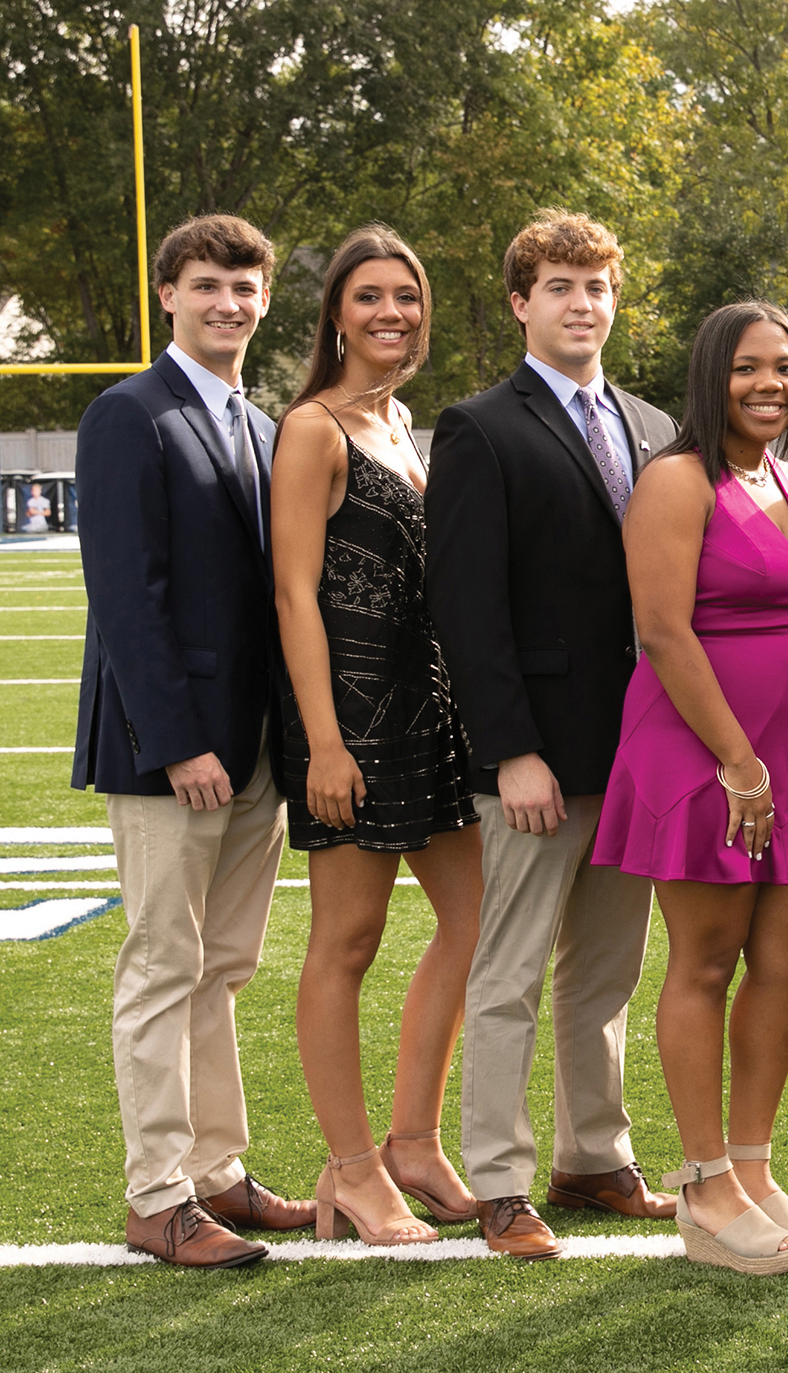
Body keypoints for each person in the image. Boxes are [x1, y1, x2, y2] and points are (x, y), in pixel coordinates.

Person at [426, 211, 681, 1260]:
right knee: (510, 976)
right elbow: (466, 607)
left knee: (608, 973)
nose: (583, 304)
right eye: (561, 286)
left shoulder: (655, 426)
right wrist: (510, 750)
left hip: (639, 752)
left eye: (597, 286)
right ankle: (499, 1181)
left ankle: (593, 1157)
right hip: (535, 755)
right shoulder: (479, 428)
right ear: (521, 303)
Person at [594, 301, 788, 1275]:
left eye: (785, 368)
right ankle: (705, 1187)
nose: (770, 385)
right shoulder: (675, 479)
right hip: (701, 751)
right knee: (706, 960)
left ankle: (752, 1167)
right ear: (714, 376)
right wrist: (736, 764)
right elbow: (664, 632)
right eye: (749, 367)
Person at [75, 213, 316, 1266]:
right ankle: (157, 1195)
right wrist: (176, 741)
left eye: (245, 286)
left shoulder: (261, 426)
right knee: (164, 965)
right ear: (168, 294)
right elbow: (127, 595)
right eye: (208, 284)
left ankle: (216, 1171)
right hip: (172, 751)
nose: (229, 302)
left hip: (255, 746)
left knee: (223, 967)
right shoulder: (128, 413)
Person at [271, 226, 482, 1246]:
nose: (391, 312)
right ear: (336, 316)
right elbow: (293, 594)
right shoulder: (313, 428)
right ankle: (352, 1171)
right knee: (347, 941)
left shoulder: (399, 420)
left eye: (407, 296)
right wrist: (323, 741)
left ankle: (415, 1145)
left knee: (476, 924)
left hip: (427, 707)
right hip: (349, 718)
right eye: (369, 297)